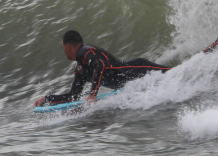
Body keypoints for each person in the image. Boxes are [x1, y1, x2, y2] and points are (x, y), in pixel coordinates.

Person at [34, 30, 171, 107]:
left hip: (139, 68)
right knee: (170, 80)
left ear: (67, 46)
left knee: (174, 73)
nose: (63, 51)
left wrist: (93, 93)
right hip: (133, 80)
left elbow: (101, 65)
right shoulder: (81, 68)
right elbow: (73, 96)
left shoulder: (84, 51)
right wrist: (47, 99)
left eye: (63, 47)